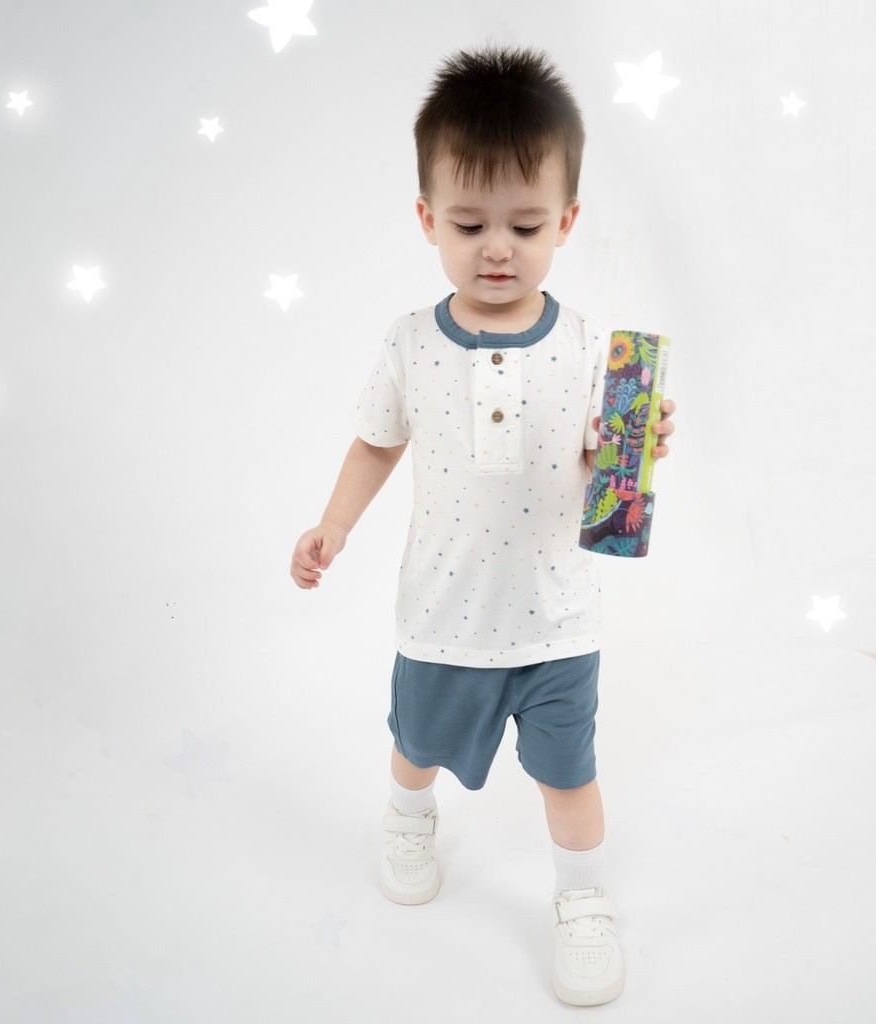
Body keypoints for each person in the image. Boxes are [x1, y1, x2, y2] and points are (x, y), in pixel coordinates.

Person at [289, 45, 675, 1007]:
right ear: (427, 219)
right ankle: (407, 814)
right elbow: (376, 442)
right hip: (445, 614)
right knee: (415, 740)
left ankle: (581, 900)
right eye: (469, 224)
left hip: (557, 620)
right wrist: (332, 526)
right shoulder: (410, 342)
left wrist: (636, 443)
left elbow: (604, 458)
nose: (496, 248)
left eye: (525, 225)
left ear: (567, 222)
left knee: (569, 773)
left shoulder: (586, 344)